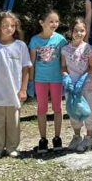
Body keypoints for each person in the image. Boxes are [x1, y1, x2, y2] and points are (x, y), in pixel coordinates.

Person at [0, 11, 31, 159]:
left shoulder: (20, 46)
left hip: (14, 93)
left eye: (12, 25)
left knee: (13, 123)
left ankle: (12, 147)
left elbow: (26, 69)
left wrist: (23, 89)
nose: (9, 28)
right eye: (5, 25)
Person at [29, 10, 68, 153]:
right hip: (40, 79)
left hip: (56, 78)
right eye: (51, 21)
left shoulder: (61, 39)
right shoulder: (34, 40)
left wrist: (66, 75)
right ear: (42, 22)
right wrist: (30, 80)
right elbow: (31, 62)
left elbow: (64, 61)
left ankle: (57, 138)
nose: (54, 24)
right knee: (42, 109)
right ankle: (43, 139)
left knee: (57, 108)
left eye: (56, 21)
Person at [61, 17, 92, 152]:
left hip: (85, 85)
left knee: (89, 110)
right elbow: (63, 66)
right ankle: (76, 136)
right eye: (76, 31)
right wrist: (66, 77)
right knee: (73, 111)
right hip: (71, 87)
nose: (79, 33)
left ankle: (89, 137)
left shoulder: (88, 48)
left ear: (86, 32)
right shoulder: (65, 49)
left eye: (82, 30)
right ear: (71, 32)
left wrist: (84, 78)